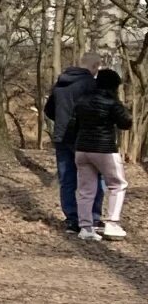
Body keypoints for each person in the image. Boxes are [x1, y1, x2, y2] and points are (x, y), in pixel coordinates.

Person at [66, 67, 131, 243]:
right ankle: (112, 223)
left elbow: (73, 125)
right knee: (117, 185)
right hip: (104, 149)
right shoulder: (112, 102)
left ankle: (86, 227)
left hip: (82, 149)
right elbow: (126, 123)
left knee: (86, 190)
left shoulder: (82, 100)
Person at [45, 55, 105, 231]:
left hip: (62, 137)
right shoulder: (90, 85)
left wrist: (62, 121)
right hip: (84, 137)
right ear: (94, 66)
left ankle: (71, 219)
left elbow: (48, 110)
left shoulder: (60, 84)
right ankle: (93, 217)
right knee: (94, 177)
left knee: (67, 178)